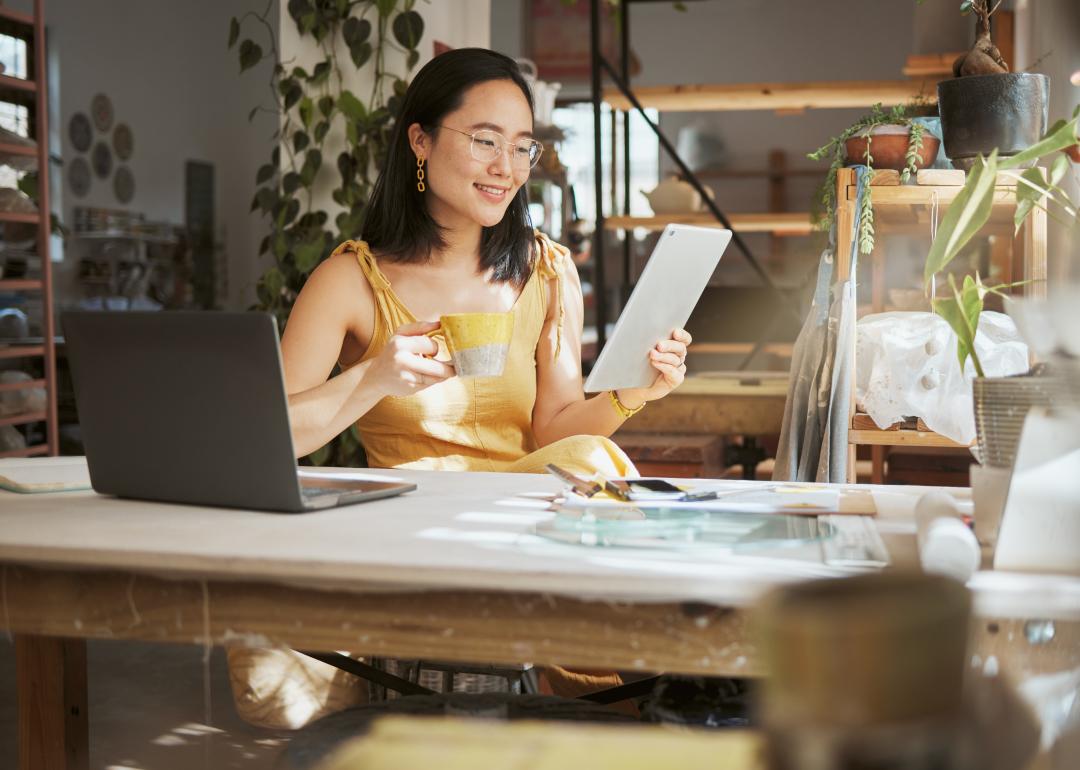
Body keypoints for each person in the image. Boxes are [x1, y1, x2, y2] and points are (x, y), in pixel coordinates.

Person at [227, 47, 692, 728]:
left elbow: (555, 430)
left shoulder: (548, 272)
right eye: (484, 141)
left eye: (522, 148)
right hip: (410, 523)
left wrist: (634, 392)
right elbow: (269, 438)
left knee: (590, 464)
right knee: (271, 679)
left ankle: (628, 682)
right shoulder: (350, 281)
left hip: (524, 525)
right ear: (419, 139)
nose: (507, 167)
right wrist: (371, 377)